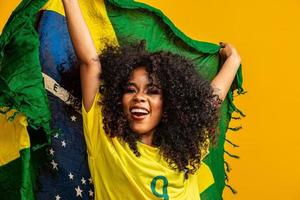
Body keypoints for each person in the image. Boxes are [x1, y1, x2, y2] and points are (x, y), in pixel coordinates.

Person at [62, 0, 241, 199]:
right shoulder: (105, 139)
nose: (139, 97)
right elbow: (90, 63)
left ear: (168, 105)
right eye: (131, 90)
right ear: (118, 100)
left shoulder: (187, 150)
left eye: (152, 91)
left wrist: (233, 61)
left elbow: (210, 102)